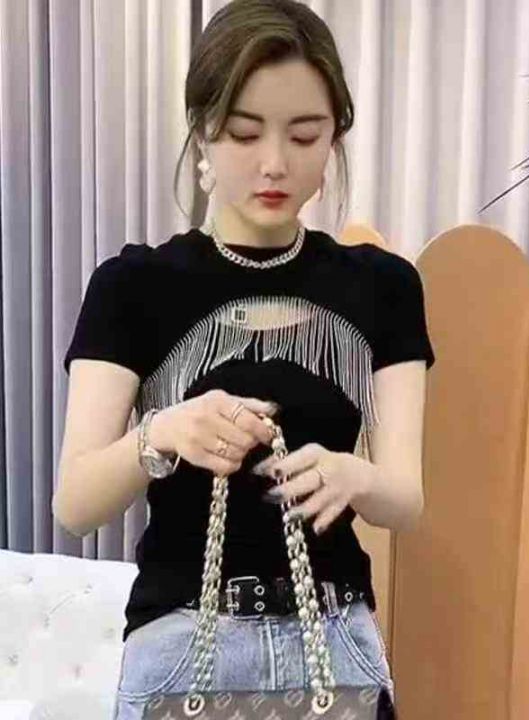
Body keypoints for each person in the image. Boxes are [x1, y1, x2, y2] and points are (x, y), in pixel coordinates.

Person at [54, 1, 436, 717]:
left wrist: (353, 475)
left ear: (335, 136)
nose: (274, 163)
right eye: (244, 132)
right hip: (182, 640)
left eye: (304, 134)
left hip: (335, 637)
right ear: (202, 129)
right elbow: (75, 503)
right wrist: (162, 433)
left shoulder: (384, 286)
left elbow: (405, 501)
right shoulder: (133, 285)